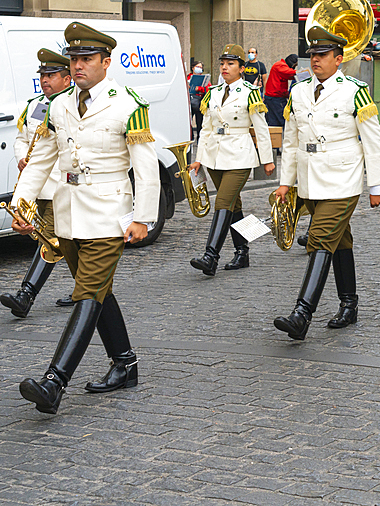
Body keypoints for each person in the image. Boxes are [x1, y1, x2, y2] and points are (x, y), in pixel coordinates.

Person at [11, 22, 158, 414]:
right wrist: (22, 203)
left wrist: (143, 217)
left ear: (106, 62)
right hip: (69, 211)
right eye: (74, 59)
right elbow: (42, 158)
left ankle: (54, 382)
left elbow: (145, 167)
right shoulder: (59, 104)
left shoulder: (128, 102)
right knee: (97, 289)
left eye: (87, 59)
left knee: (88, 292)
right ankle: (125, 363)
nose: (78, 66)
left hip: (110, 212)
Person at [273, 25, 380, 339]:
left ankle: (302, 313)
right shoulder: (298, 91)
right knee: (340, 241)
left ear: (338, 59)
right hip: (311, 178)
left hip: (343, 178)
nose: (315, 60)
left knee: (320, 239)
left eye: (322, 55)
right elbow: (292, 141)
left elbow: (373, 141)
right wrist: (286, 182)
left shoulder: (354, 90)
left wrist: (377, 185)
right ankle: (349, 304)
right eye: (312, 55)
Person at [0, 49, 76, 316]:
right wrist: (22, 158)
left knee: (51, 238)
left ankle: (26, 295)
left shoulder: (74, 105)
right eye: (43, 75)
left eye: (52, 75)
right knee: (63, 241)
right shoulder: (34, 105)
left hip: (64, 185)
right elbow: (22, 139)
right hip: (39, 183)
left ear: (67, 79)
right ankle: (87, 289)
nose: (46, 80)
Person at [189, 45, 275, 276]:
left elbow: (261, 128)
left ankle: (211, 256)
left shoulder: (250, 92)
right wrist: (198, 158)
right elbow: (205, 128)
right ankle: (242, 252)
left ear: (242, 68)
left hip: (239, 155)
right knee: (234, 206)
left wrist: (267, 159)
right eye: (222, 63)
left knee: (223, 203)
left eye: (231, 64)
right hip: (214, 157)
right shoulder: (214, 91)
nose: (225, 68)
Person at [263, 53, 298, 127]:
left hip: (272, 97)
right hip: (276, 97)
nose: (294, 68)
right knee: (284, 119)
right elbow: (291, 73)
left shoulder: (279, 65)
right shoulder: (280, 65)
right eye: (294, 66)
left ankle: (276, 137)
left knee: (274, 122)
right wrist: (304, 73)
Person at [186, 60, 209, 135]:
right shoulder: (187, 77)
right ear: (193, 68)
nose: (199, 69)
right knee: (188, 123)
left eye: (201, 67)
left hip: (199, 102)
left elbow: (208, 89)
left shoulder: (204, 78)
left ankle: (199, 140)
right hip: (189, 102)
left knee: (200, 123)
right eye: (197, 67)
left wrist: (199, 89)